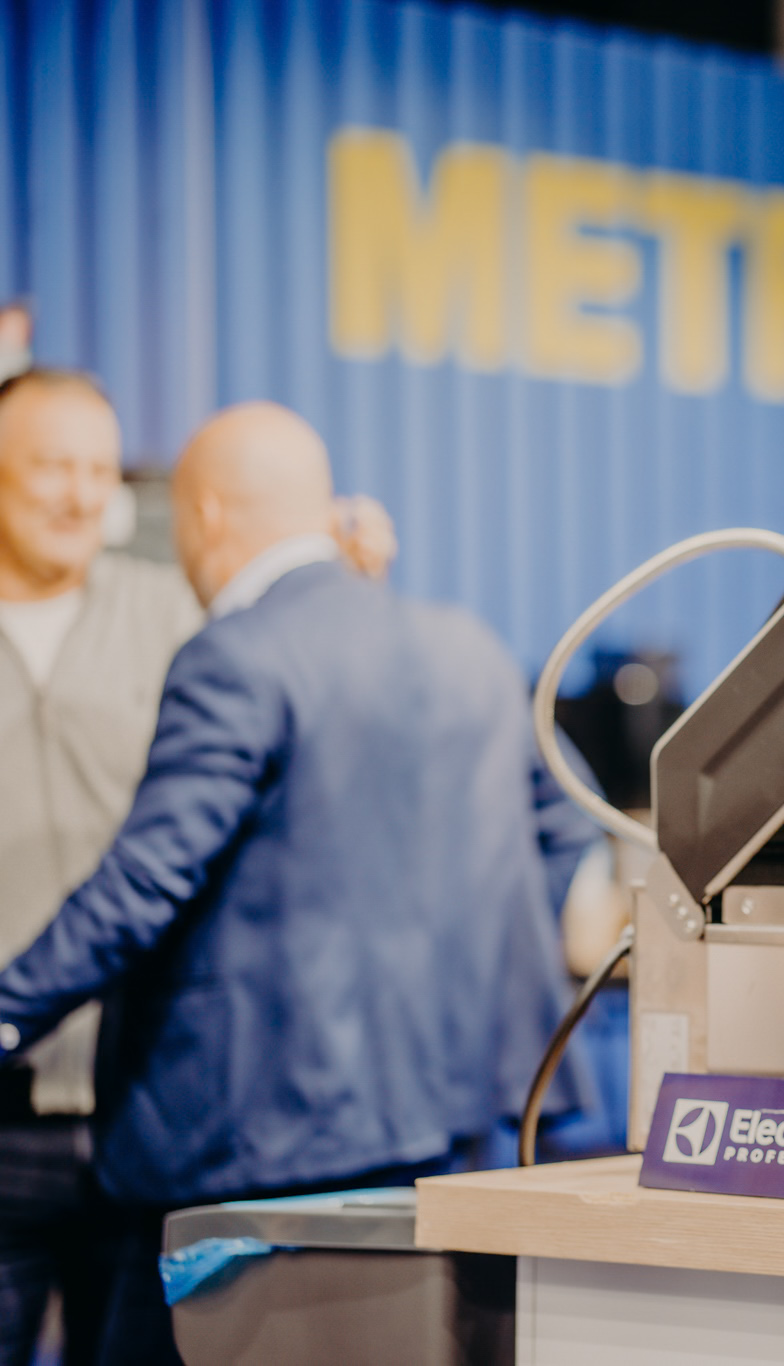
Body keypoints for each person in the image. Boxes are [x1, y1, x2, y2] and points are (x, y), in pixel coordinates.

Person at [0, 401, 595, 1363]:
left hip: (248, 1139)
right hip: (444, 1121)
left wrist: (5, 1010)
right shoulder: (470, 648)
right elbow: (567, 832)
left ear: (203, 516)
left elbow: (149, 879)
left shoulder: (234, 654)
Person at [0, 372, 398, 1366]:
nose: (80, 494)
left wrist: (348, 591)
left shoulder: (185, 615)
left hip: (143, 1103)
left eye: (100, 469)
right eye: (51, 465)